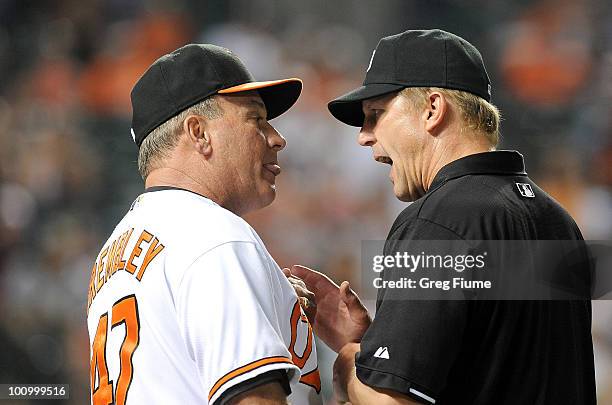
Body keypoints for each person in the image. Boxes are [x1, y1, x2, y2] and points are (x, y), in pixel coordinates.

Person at [290, 29, 596, 405]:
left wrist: (351, 362)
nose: (364, 136)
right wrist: (380, 347)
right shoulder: (558, 220)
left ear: (432, 109)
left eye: (376, 114)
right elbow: (496, 362)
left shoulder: (437, 220)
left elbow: (392, 404)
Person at [86, 44, 322, 405]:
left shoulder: (112, 253)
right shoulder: (215, 236)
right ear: (198, 133)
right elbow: (253, 400)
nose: (277, 138)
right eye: (256, 120)